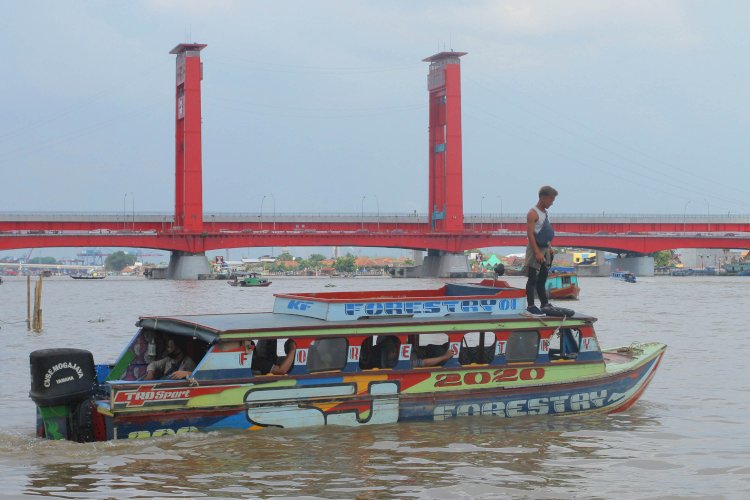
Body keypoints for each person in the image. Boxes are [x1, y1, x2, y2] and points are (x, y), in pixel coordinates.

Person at [523, 185, 558, 317]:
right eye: (550, 200)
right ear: (543, 198)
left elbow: (544, 231)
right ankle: (531, 306)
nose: (552, 203)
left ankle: (544, 303)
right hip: (535, 249)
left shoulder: (545, 213)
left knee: (543, 277)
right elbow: (530, 234)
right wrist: (537, 252)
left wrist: (549, 247)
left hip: (545, 248)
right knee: (532, 278)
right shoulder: (532, 213)